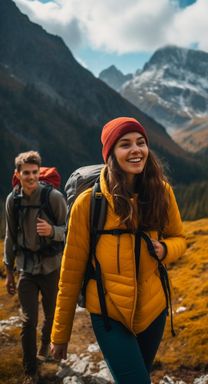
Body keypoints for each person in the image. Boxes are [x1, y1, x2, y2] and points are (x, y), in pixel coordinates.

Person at [51, 117, 186, 384]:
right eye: (125, 144)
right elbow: (71, 273)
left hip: (154, 310)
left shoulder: (162, 192)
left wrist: (165, 249)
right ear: (110, 153)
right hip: (109, 315)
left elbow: (179, 238)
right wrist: (60, 334)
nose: (136, 150)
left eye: (141, 142)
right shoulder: (88, 204)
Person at [4, 150, 67, 384]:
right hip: (26, 270)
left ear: (39, 172)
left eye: (34, 172)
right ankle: (30, 369)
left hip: (51, 268)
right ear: (17, 174)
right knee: (28, 320)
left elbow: (69, 231)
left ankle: (44, 348)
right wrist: (9, 271)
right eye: (26, 173)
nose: (31, 177)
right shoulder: (14, 200)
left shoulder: (54, 198)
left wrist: (53, 231)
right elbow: (10, 236)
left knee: (51, 315)